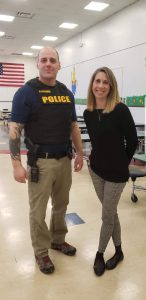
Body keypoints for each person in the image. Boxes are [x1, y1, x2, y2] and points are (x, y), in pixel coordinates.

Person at [9, 47, 83, 275]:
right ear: (38, 65)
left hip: (64, 161)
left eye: (53, 60)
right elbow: (15, 129)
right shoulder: (26, 92)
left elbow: (73, 126)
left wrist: (80, 153)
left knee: (61, 206)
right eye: (44, 60)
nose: (48, 63)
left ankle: (58, 240)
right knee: (38, 211)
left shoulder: (66, 93)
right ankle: (41, 251)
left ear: (59, 65)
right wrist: (16, 164)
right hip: (40, 162)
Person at [83, 67, 138, 276]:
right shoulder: (88, 113)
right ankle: (119, 251)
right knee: (111, 213)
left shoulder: (120, 110)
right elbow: (98, 142)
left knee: (106, 216)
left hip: (116, 174)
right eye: (97, 81)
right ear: (92, 85)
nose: (100, 86)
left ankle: (99, 253)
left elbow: (132, 141)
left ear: (111, 86)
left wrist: (121, 163)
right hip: (95, 170)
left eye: (105, 82)